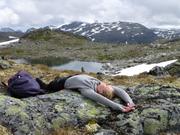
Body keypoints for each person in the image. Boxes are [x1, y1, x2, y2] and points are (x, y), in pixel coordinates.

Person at [37, 74, 135, 112]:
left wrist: (118, 107)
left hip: (61, 84)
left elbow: (102, 100)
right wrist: (130, 102)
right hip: (73, 76)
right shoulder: (100, 84)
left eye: (106, 86)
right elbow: (119, 90)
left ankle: (37, 81)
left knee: (46, 88)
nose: (106, 84)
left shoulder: (87, 91)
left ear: (100, 91)